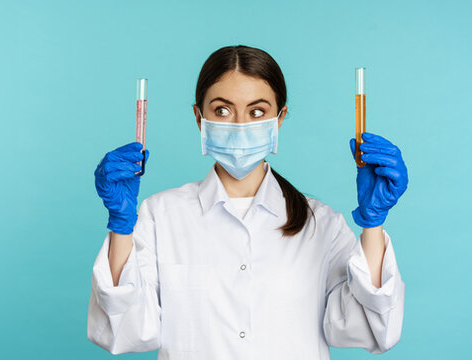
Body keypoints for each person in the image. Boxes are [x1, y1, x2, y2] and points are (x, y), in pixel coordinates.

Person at [87, 45, 409, 359]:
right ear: (199, 118)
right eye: (222, 110)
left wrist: (373, 224)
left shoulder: (320, 224)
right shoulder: (160, 215)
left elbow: (366, 330)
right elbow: (126, 331)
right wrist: (120, 226)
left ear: (279, 118)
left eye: (257, 112)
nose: (241, 125)